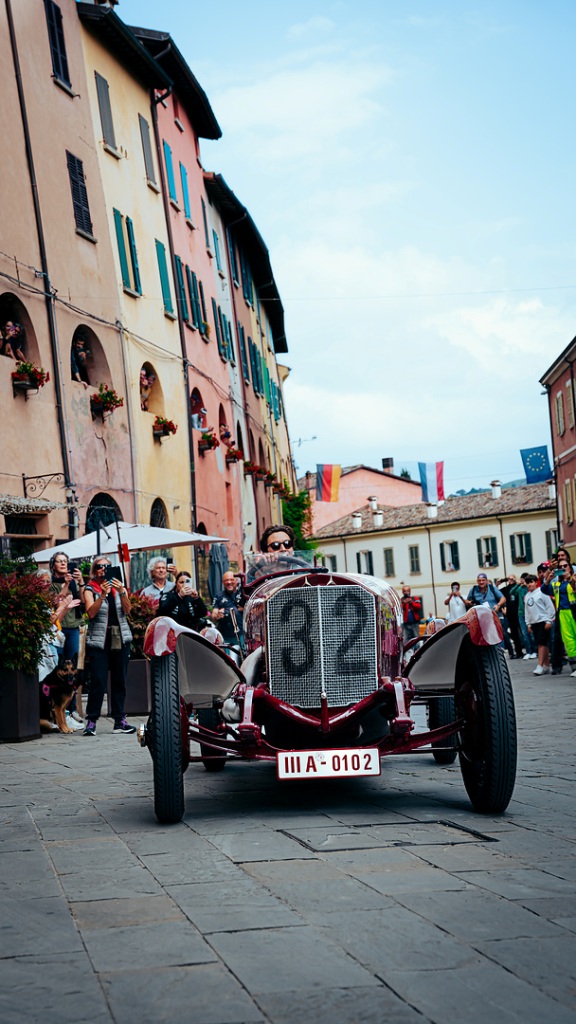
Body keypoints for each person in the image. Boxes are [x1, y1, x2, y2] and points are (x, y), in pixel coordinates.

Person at [82, 557, 135, 735]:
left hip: (120, 637)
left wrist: (121, 592)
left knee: (119, 679)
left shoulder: (119, 587)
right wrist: (103, 595)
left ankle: (120, 720)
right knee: (98, 680)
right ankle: (91, 720)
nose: (103, 569)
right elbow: (90, 613)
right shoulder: (90, 588)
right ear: (94, 570)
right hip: (99, 641)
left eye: (107, 566)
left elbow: (128, 611)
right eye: (99, 566)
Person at [49, 552, 85, 723]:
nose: (64, 564)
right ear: (53, 565)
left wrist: (81, 582)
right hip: (59, 629)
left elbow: (83, 602)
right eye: (60, 561)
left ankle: (71, 709)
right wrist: (67, 584)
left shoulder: (74, 583)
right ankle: (57, 710)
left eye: (66, 561)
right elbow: (57, 602)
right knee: (58, 669)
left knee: (73, 669)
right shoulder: (51, 584)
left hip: (74, 627)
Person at [541, 556, 576, 676]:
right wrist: (548, 579)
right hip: (563, 613)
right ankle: (575, 667)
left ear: (570, 568)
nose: (563, 568)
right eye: (560, 567)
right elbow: (544, 590)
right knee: (569, 641)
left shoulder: (574, 579)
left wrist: (572, 581)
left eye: (565, 566)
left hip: (574, 611)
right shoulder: (556, 583)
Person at [523, 574, 555, 675]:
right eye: (527, 583)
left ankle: (540, 665)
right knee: (541, 644)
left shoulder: (542, 592)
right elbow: (527, 611)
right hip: (534, 622)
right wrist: (528, 624)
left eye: (531, 582)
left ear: (536, 582)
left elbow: (550, 607)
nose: (529, 585)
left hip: (543, 621)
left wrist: (549, 620)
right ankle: (547, 665)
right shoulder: (527, 596)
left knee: (542, 644)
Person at [210, 570, 244, 644]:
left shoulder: (243, 593)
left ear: (236, 581)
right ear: (223, 582)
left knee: (243, 655)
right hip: (225, 636)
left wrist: (228, 610)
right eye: (226, 580)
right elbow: (214, 615)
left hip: (242, 634)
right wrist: (218, 615)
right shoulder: (218, 596)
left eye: (231, 580)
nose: (229, 582)